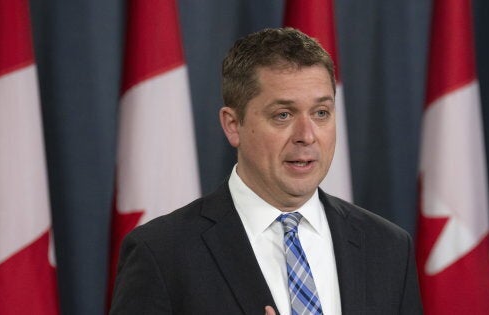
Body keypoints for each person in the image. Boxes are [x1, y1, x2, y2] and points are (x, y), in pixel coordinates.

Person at [110, 27, 423, 315]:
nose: (307, 134)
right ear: (233, 125)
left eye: (321, 113)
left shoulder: (388, 248)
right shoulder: (162, 253)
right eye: (283, 114)